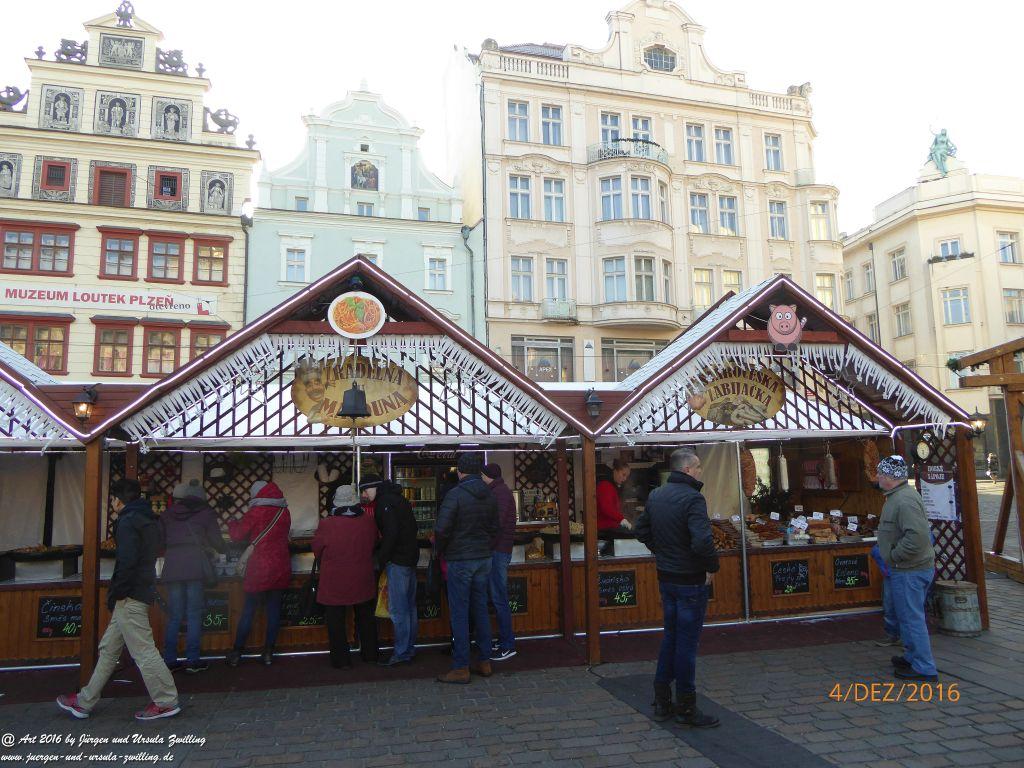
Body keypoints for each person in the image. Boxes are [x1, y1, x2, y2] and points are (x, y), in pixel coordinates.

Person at [57, 479, 180, 721]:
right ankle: (85, 700)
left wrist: (117, 593)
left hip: (129, 594)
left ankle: (166, 700)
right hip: (140, 589)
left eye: (113, 498)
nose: (112, 503)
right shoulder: (149, 520)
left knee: (143, 651)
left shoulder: (127, 522)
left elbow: (126, 561)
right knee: (108, 650)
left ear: (119, 500)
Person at [635, 448, 719, 728]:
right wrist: (711, 567)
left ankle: (662, 700)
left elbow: (641, 530)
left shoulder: (657, 495)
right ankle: (686, 706)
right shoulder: (693, 499)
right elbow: (702, 542)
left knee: (670, 637)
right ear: (687, 469)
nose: (699, 473)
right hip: (689, 580)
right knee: (686, 644)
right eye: (698, 468)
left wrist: (662, 551)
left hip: (666, 577)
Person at [434, 453, 498, 684]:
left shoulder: (455, 495)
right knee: (480, 609)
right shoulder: (490, 496)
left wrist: (439, 550)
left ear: (460, 472)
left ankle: (461, 666)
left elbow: (441, 529)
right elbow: (495, 528)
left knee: (459, 612)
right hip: (483, 558)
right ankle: (485, 661)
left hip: (460, 559)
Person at [876, 456, 939, 682]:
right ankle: (912, 656)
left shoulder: (904, 501)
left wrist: (894, 556)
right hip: (906, 568)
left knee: (912, 618)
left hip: (909, 569)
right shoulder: (897, 497)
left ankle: (924, 667)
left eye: (880, 474)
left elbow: (918, 537)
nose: (877, 478)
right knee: (907, 616)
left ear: (890, 478)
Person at [160, 479, 224, 673]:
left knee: (174, 616)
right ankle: (193, 661)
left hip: (172, 565)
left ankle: (169, 660)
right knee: (194, 614)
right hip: (195, 566)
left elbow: (160, 540)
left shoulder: (166, 515)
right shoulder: (205, 513)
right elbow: (217, 541)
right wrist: (224, 549)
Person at [225, 481, 291, 667]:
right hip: (280, 566)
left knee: (249, 610)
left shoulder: (255, 512)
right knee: (274, 612)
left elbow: (237, 535)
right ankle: (268, 653)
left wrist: (231, 522)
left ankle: (237, 653)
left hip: (259, 568)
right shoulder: (284, 512)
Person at [313, 485, 379, 669]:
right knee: (366, 617)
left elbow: (317, 548)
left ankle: (341, 660)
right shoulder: (368, 521)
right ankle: (370, 654)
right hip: (362, 576)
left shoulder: (327, 523)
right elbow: (374, 543)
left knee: (336, 620)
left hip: (335, 578)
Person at [360, 473, 419, 667]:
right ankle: (409, 649)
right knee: (409, 608)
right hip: (410, 559)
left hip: (399, 561)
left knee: (398, 610)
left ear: (373, 487)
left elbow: (391, 533)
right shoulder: (398, 498)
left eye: (365, 490)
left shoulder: (385, 504)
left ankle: (401, 653)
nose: (364, 495)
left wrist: (381, 558)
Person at [482, 463, 517, 661]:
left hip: (498, 552)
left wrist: (486, 545)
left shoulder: (500, 493)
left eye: (482, 475)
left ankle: (507, 644)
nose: (480, 478)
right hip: (498, 551)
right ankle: (504, 640)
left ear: (488, 476)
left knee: (499, 598)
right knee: (497, 597)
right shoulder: (498, 491)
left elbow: (497, 523)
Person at [870, 543, 900, 648]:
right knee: (889, 604)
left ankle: (908, 640)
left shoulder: (916, 529)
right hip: (891, 571)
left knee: (907, 607)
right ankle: (892, 634)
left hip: (906, 571)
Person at [597, 460, 633, 531]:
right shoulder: (605, 485)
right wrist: (621, 519)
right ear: (615, 471)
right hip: (603, 528)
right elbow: (606, 508)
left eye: (626, 476)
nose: (625, 479)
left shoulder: (612, 486)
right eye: (623, 474)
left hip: (609, 527)